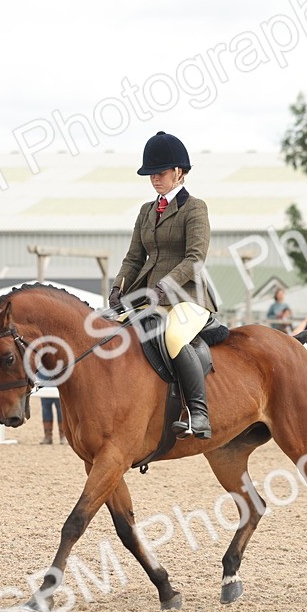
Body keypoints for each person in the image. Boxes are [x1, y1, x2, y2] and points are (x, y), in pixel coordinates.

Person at [110, 131, 217, 440]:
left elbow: (195, 258)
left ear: (178, 173)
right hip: (148, 296)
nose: (154, 178)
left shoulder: (194, 208)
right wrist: (118, 287)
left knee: (173, 335)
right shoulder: (146, 211)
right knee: (109, 328)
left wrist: (163, 288)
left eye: (160, 172)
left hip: (188, 296)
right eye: (151, 174)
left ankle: (198, 413)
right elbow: (134, 257)